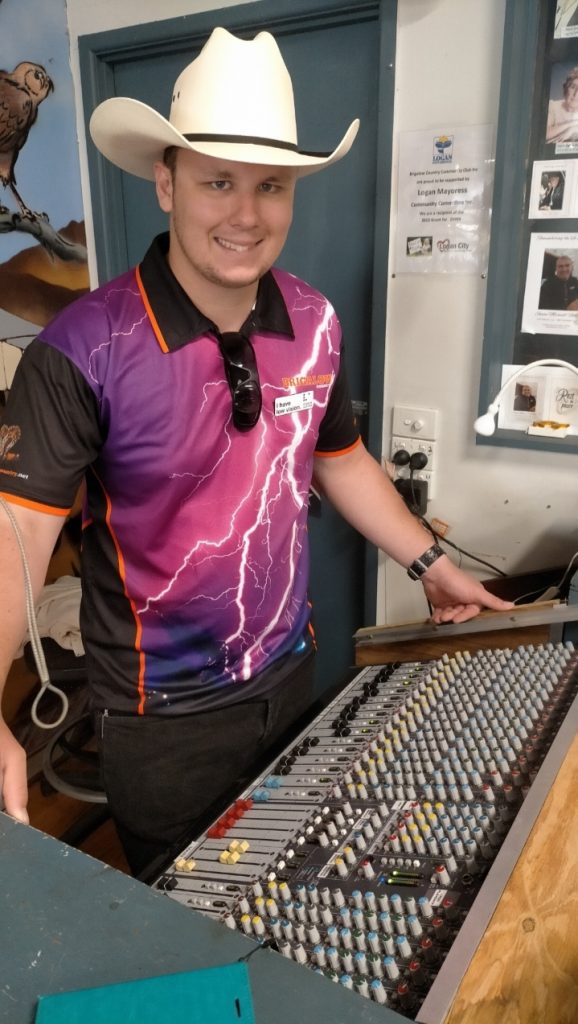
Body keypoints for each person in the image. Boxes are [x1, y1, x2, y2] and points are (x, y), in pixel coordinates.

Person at [0, 27, 511, 875]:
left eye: (270, 186)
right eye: (218, 182)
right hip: (159, 716)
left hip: (289, 674)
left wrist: (430, 564)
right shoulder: (83, 347)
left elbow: (336, 455)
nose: (245, 214)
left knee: (282, 888)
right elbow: (16, 541)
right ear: (166, 183)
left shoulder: (313, 320)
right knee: (190, 917)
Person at [546, 67, 578, 144]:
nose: (575, 94)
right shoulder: (553, 106)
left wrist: (574, 129)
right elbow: (545, 134)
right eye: (573, 87)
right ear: (566, 88)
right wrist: (572, 124)